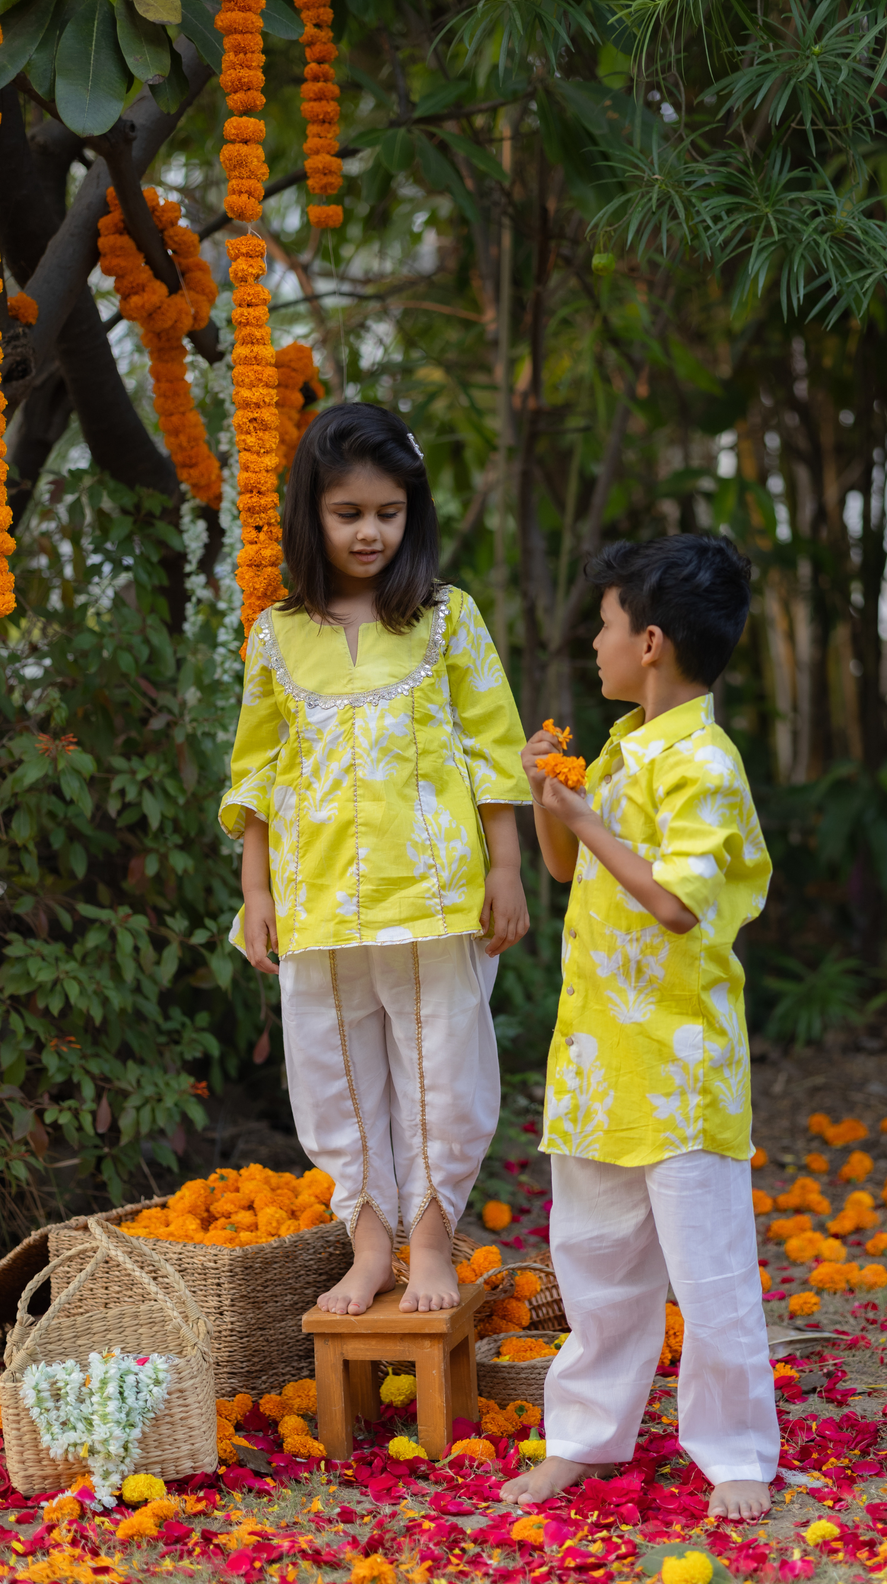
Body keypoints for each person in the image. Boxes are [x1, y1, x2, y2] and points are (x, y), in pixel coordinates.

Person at [219, 403, 531, 1317]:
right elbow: (258, 772)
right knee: (332, 1073)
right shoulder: (275, 635)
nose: (369, 532)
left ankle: (430, 1240)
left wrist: (505, 870)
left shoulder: (447, 619)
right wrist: (257, 890)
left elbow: (494, 750)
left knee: (445, 1068)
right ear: (312, 513)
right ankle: (369, 1243)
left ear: (413, 512)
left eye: (389, 513)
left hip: (435, 896)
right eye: (349, 513)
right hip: (317, 902)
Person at [502, 535, 778, 1523]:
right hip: (597, 1060)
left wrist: (582, 820)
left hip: (679, 1065)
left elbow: (673, 904)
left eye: (607, 625)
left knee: (710, 1276)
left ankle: (737, 1450)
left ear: (651, 642)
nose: (594, 640)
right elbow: (570, 870)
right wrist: (551, 800)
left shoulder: (703, 760)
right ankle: (582, 1437)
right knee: (595, 1264)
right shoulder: (624, 747)